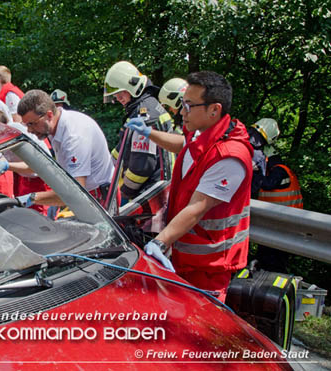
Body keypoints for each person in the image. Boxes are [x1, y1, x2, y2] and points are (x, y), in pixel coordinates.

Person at [125, 71, 253, 302]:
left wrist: (160, 241)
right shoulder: (202, 132)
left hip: (208, 266)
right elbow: (184, 145)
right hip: (186, 254)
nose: (182, 111)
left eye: (189, 105)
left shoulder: (229, 157)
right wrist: (149, 133)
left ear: (214, 109)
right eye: (183, 103)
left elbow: (198, 207)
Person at [13, 90, 114, 207]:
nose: (29, 130)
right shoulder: (51, 126)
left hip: (99, 199)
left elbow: (76, 194)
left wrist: (33, 198)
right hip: (89, 195)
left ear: (49, 115)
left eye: (32, 124)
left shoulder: (74, 136)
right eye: (26, 125)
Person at [103, 61, 174, 200]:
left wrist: (123, 193)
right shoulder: (148, 106)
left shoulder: (144, 116)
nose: (118, 98)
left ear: (133, 87)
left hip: (149, 194)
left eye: (121, 92)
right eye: (115, 94)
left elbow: (141, 167)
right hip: (156, 189)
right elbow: (121, 150)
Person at [249, 118, 303, 273]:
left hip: (284, 228)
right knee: (264, 262)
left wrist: (255, 171)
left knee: (275, 265)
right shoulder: (275, 170)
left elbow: (266, 184)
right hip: (271, 226)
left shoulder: (280, 171)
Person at [0, 105, 51, 215]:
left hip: (43, 181)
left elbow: (37, 166)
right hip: (25, 179)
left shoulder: (15, 132)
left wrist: (8, 166)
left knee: (38, 221)